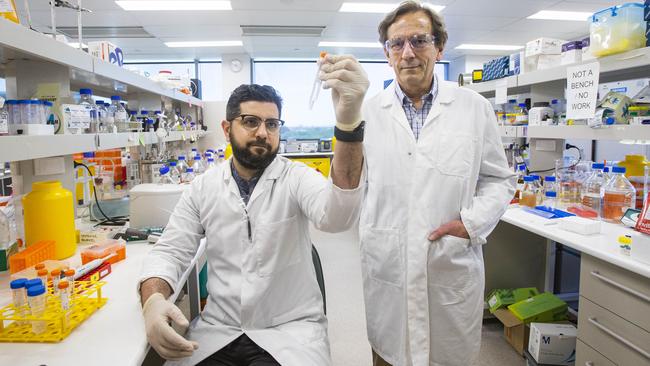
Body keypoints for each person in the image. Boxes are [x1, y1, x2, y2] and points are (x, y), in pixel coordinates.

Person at [138, 55, 368, 366]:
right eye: (250, 121)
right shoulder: (203, 187)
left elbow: (338, 216)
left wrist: (349, 125)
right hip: (221, 329)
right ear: (226, 127)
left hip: (290, 331)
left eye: (271, 124)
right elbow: (170, 251)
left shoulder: (296, 177)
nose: (262, 132)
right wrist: (152, 300)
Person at [351, 1, 516, 365]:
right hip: (388, 268)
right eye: (397, 44)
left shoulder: (473, 108)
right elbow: (348, 189)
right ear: (387, 54)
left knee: (448, 357)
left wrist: (470, 224)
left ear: (439, 47)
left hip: (448, 267)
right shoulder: (366, 113)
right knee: (388, 355)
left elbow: (499, 180)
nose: (408, 52)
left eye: (419, 41)